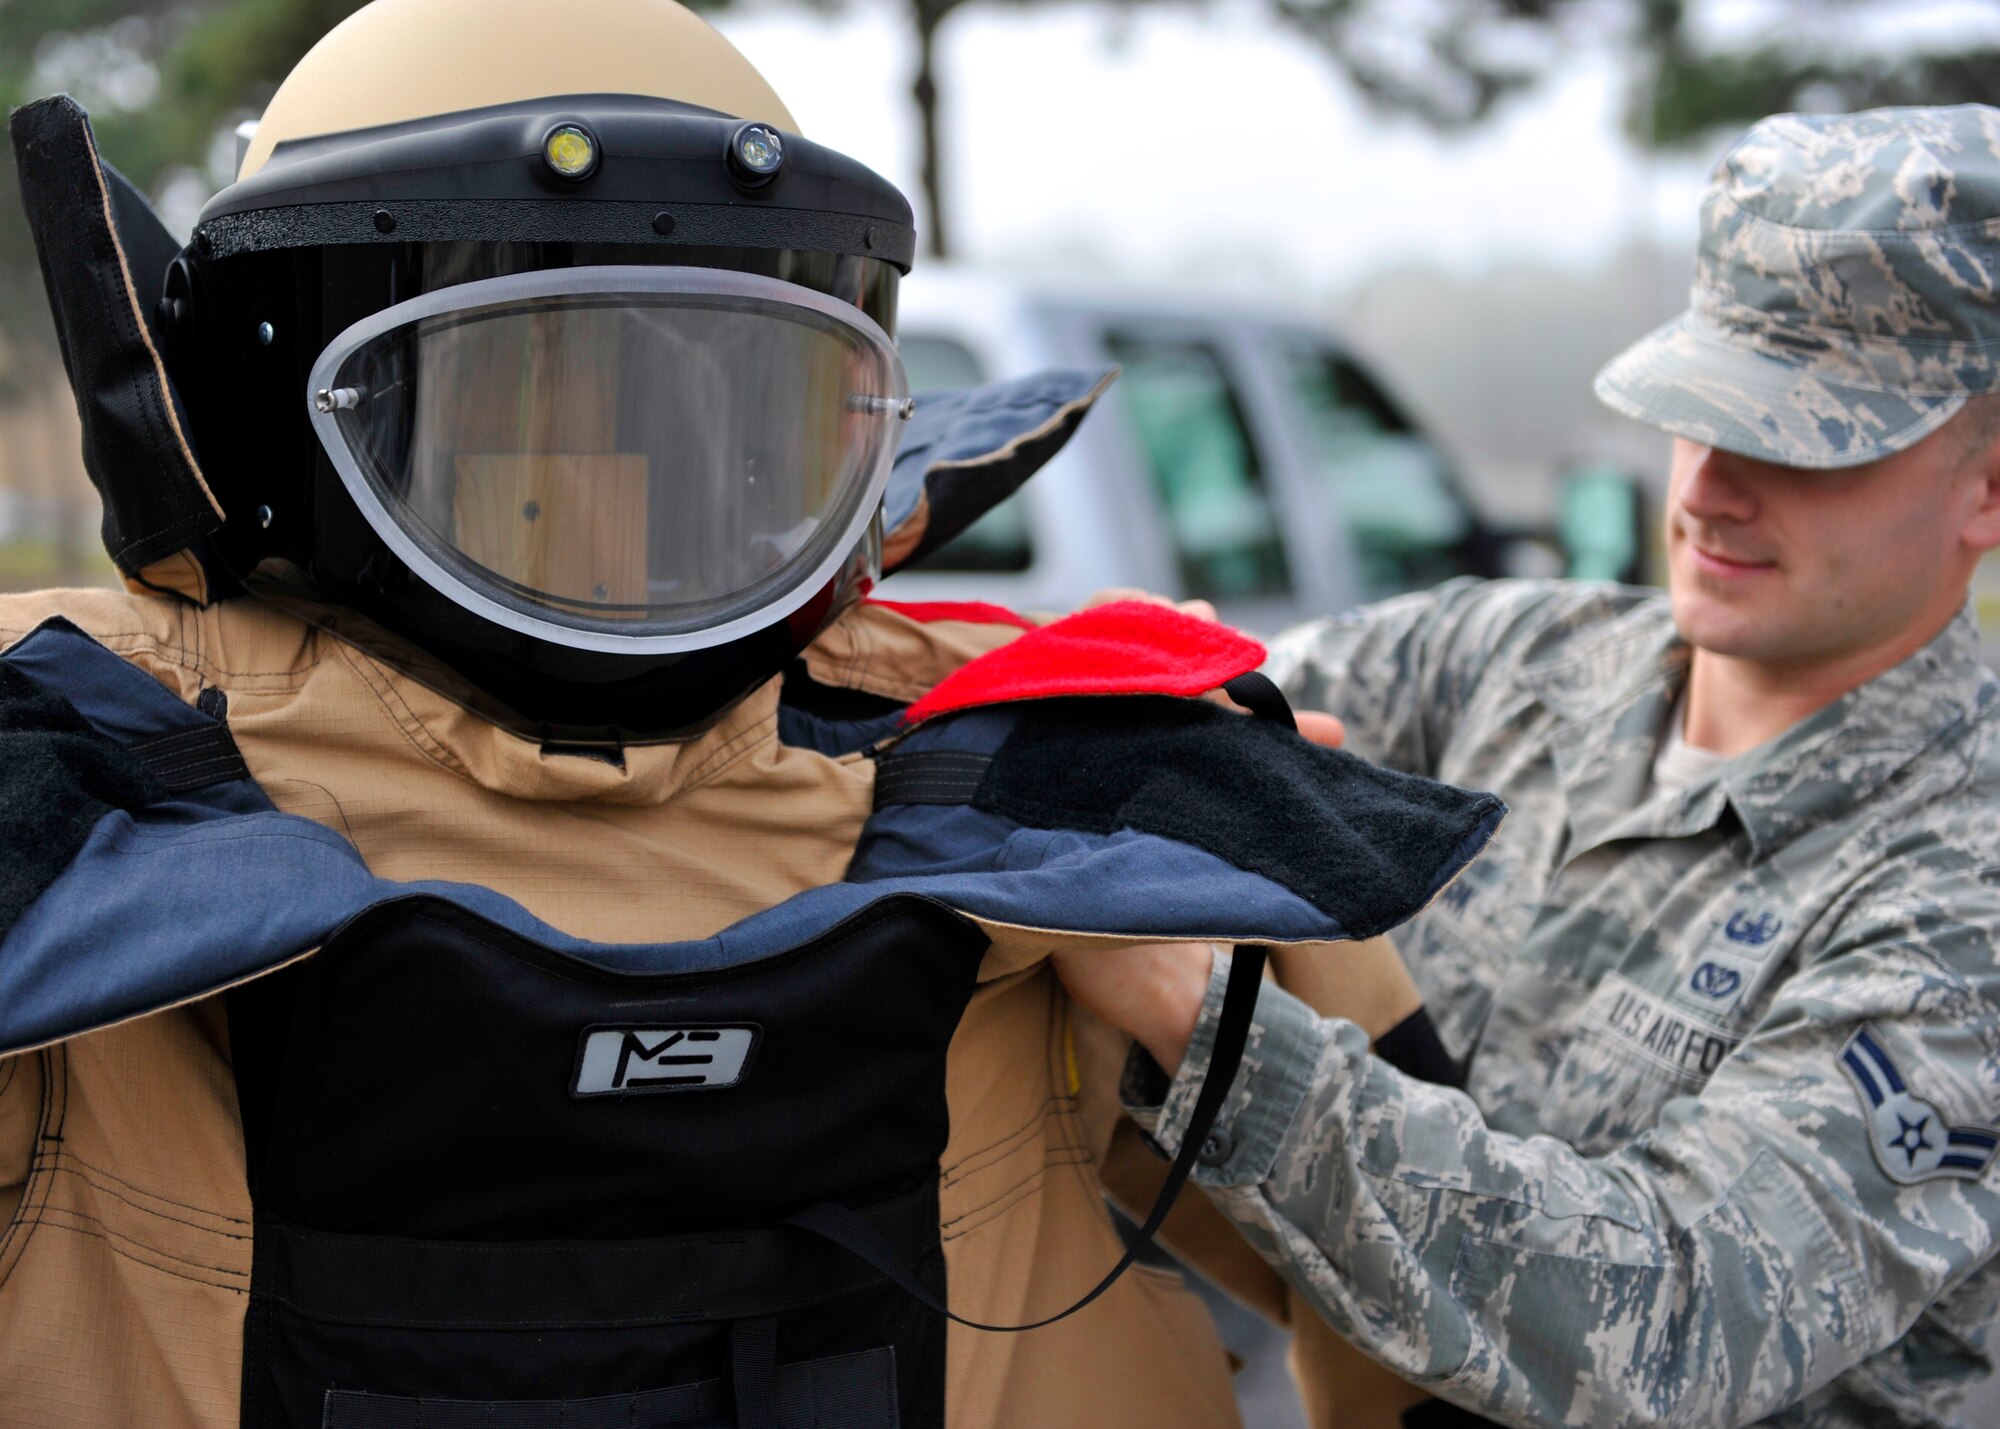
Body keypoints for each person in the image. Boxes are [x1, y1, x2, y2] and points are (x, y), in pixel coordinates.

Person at [0, 1, 1500, 1425]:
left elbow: (1446, 1321)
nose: (617, 500)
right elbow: (1458, 1330)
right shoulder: (1093, 789)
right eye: (521, 411)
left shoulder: (63, 782)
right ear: (282, 407)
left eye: (725, 408)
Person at [1057, 104, 2000, 1427]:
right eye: (1698, 408)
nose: (1711, 486)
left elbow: (1675, 1315)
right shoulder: (1525, 657)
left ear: (1989, 487)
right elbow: (1203, 696)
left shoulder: (1964, 896)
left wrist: (1199, 1024)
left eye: (1803, 440)